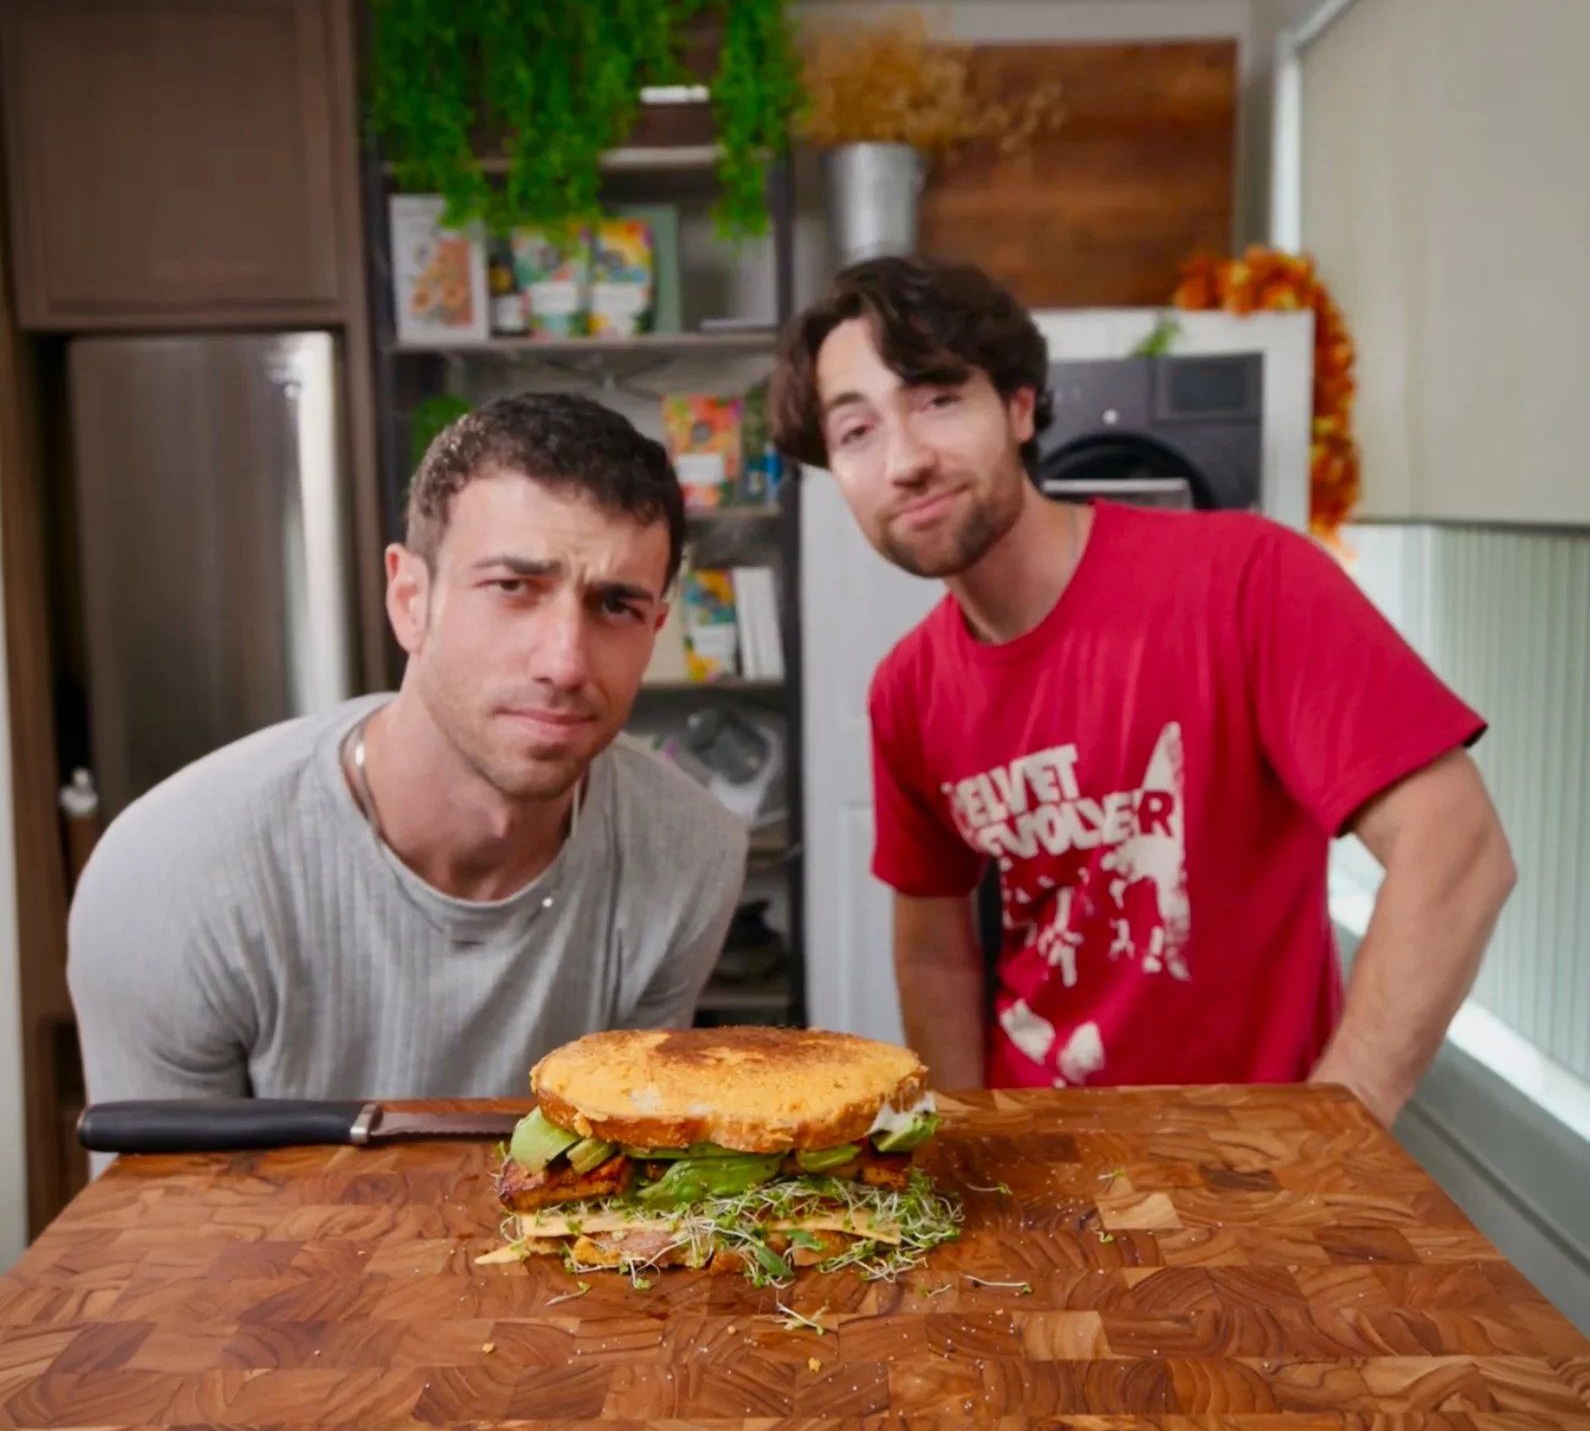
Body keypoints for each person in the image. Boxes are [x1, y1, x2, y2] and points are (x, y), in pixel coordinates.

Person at [772, 255, 1515, 1125]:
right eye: (856, 431)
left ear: (1017, 406)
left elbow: (1456, 849)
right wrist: (965, 1143)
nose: (903, 461)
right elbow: (935, 950)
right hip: (1038, 1165)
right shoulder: (908, 691)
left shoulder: (1247, 579)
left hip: (1248, 1168)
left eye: (937, 399)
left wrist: (1332, 1131)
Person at [69, 392, 747, 1108]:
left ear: (656, 629)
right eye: (513, 587)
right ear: (410, 598)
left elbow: (621, 1175)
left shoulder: (688, 858)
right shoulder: (174, 878)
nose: (565, 663)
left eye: (616, 605)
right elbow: (163, 1216)